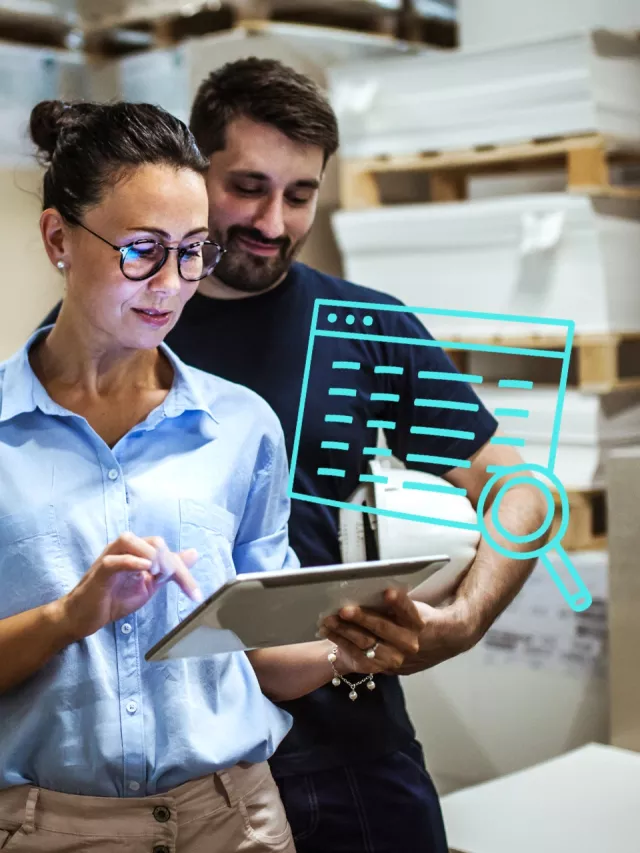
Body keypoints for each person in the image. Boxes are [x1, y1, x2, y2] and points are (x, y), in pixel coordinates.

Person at [41, 61, 548, 853]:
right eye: (246, 186)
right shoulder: (115, 318)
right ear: (193, 170)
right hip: (176, 776)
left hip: (349, 743)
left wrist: (464, 619)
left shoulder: (363, 327)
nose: (272, 221)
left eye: (301, 194)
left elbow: (520, 487)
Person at [3, 98, 427, 853]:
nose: (171, 282)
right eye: (142, 249)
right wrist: (69, 617)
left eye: (193, 249)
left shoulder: (242, 426)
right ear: (58, 238)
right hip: (45, 828)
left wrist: (346, 645)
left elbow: (259, 654)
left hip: (236, 820)